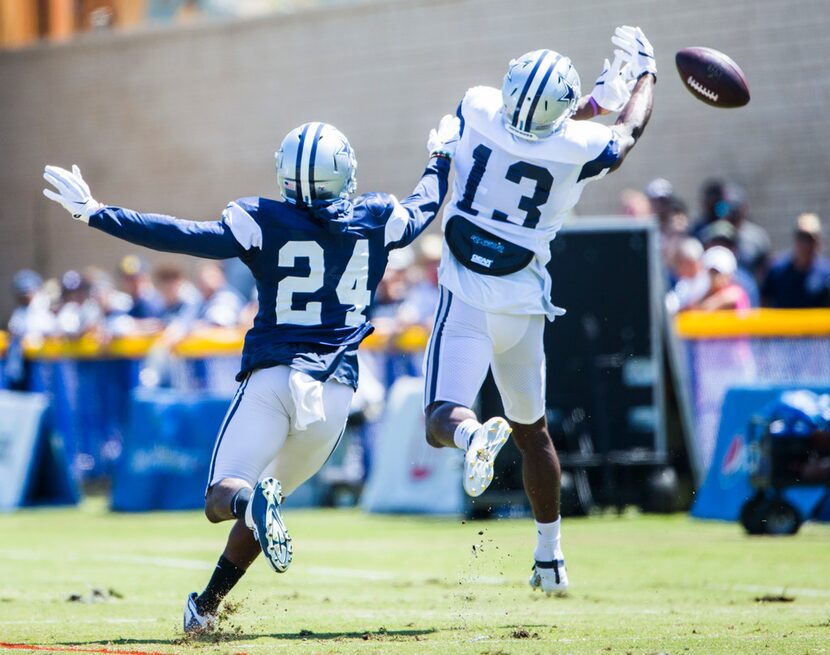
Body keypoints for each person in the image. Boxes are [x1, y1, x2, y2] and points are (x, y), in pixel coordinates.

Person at [41, 115, 459, 633]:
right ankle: (206, 608)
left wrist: (98, 214)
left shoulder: (260, 218)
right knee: (267, 504)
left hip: (274, 378)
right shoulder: (375, 215)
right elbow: (423, 206)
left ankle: (246, 509)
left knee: (226, 496)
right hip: (333, 391)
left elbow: (183, 236)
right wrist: (441, 158)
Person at [422, 25, 656, 596]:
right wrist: (643, 77)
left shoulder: (476, 106)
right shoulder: (575, 148)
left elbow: (525, 125)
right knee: (535, 434)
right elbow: (626, 132)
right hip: (523, 306)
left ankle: (472, 435)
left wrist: (592, 101)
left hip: (468, 294)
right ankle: (551, 558)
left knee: (441, 421)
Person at [762, 213, 830, 308]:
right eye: (802, 237)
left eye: (810, 239)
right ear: (795, 238)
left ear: (818, 242)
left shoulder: (826, 273)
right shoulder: (777, 270)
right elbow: (765, 303)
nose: (805, 244)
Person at [686, 246, 750, 311]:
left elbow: (732, 296)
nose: (716, 277)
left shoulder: (735, 292)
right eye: (713, 272)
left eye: (719, 272)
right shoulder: (705, 293)